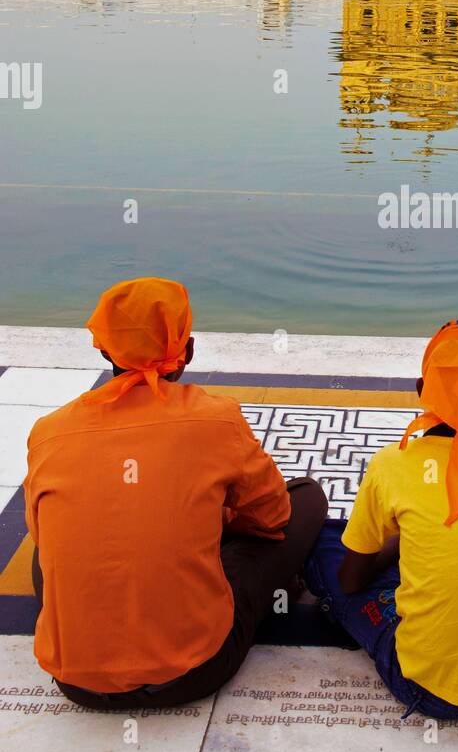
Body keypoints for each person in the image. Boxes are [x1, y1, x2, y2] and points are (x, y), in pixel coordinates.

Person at [25, 277, 327, 710]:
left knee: (49, 547)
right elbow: (272, 518)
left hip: (74, 682)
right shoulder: (216, 420)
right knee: (306, 498)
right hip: (192, 672)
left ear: (105, 349)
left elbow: (41, 530)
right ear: (186, 352)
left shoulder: (50, 432)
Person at [305, 319, 458, 719]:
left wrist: (406, 539)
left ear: (422, 391)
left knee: (327, 547)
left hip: (428, 688)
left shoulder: (394, 465)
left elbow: (352, 581)